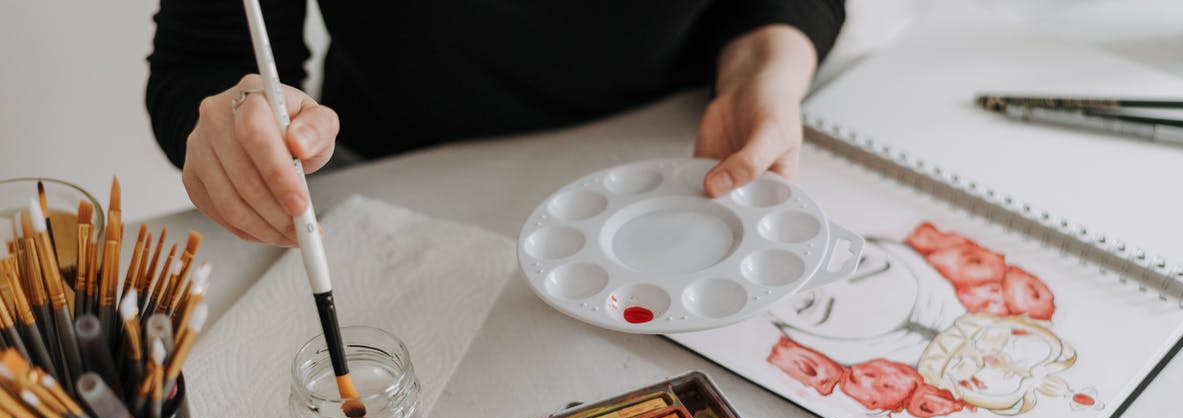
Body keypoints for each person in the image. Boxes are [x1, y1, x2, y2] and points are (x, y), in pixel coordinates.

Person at [146, 1, 845, 247]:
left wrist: (766, 69)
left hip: (678, 167)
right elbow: (208, 56)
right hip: (397, 194)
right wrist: (236, 126)